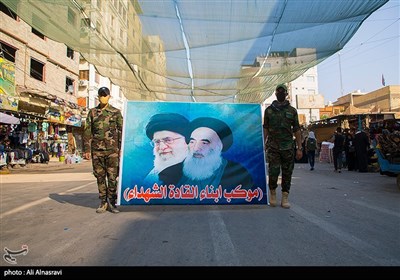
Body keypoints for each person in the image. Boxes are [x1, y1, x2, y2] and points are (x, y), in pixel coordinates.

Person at [179, 117, 254, 191]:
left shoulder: (237, 172)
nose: (196, 148)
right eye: (192, 142)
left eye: (204, 143)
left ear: (219, 146)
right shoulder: (175, 170)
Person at [83, 86, 123, 214]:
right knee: (100, 177)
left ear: (109, 97)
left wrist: (122, 149)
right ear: (98, 97)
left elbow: (122, 130)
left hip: (112, 151)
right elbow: (87, 131)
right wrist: (87, 150)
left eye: (105, 95)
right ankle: (103, 202)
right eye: (101, 95)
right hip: (97, 151)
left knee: (112, 177)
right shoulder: (93, 113)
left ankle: (112, 202)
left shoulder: (115, 112)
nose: (103, 97)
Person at [263, 84, 302, 209]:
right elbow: (265, 129)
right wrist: (263, 143)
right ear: (275, 94)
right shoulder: (269, 110)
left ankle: (285, 197)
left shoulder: (292, 111)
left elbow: (297, 129)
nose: (280, 93)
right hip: (273, 147)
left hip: (288, 147)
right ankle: (273, 194)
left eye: (282, 92)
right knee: (273, 172)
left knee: (287, 173)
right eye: (278, 92)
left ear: (286, 94)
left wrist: (300, 148)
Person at [143, 113, 190, 186]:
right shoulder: (152, 176)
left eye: (168, 140)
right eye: (157, 142)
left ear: (187, 141)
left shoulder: (199, 173)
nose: (162, 147)